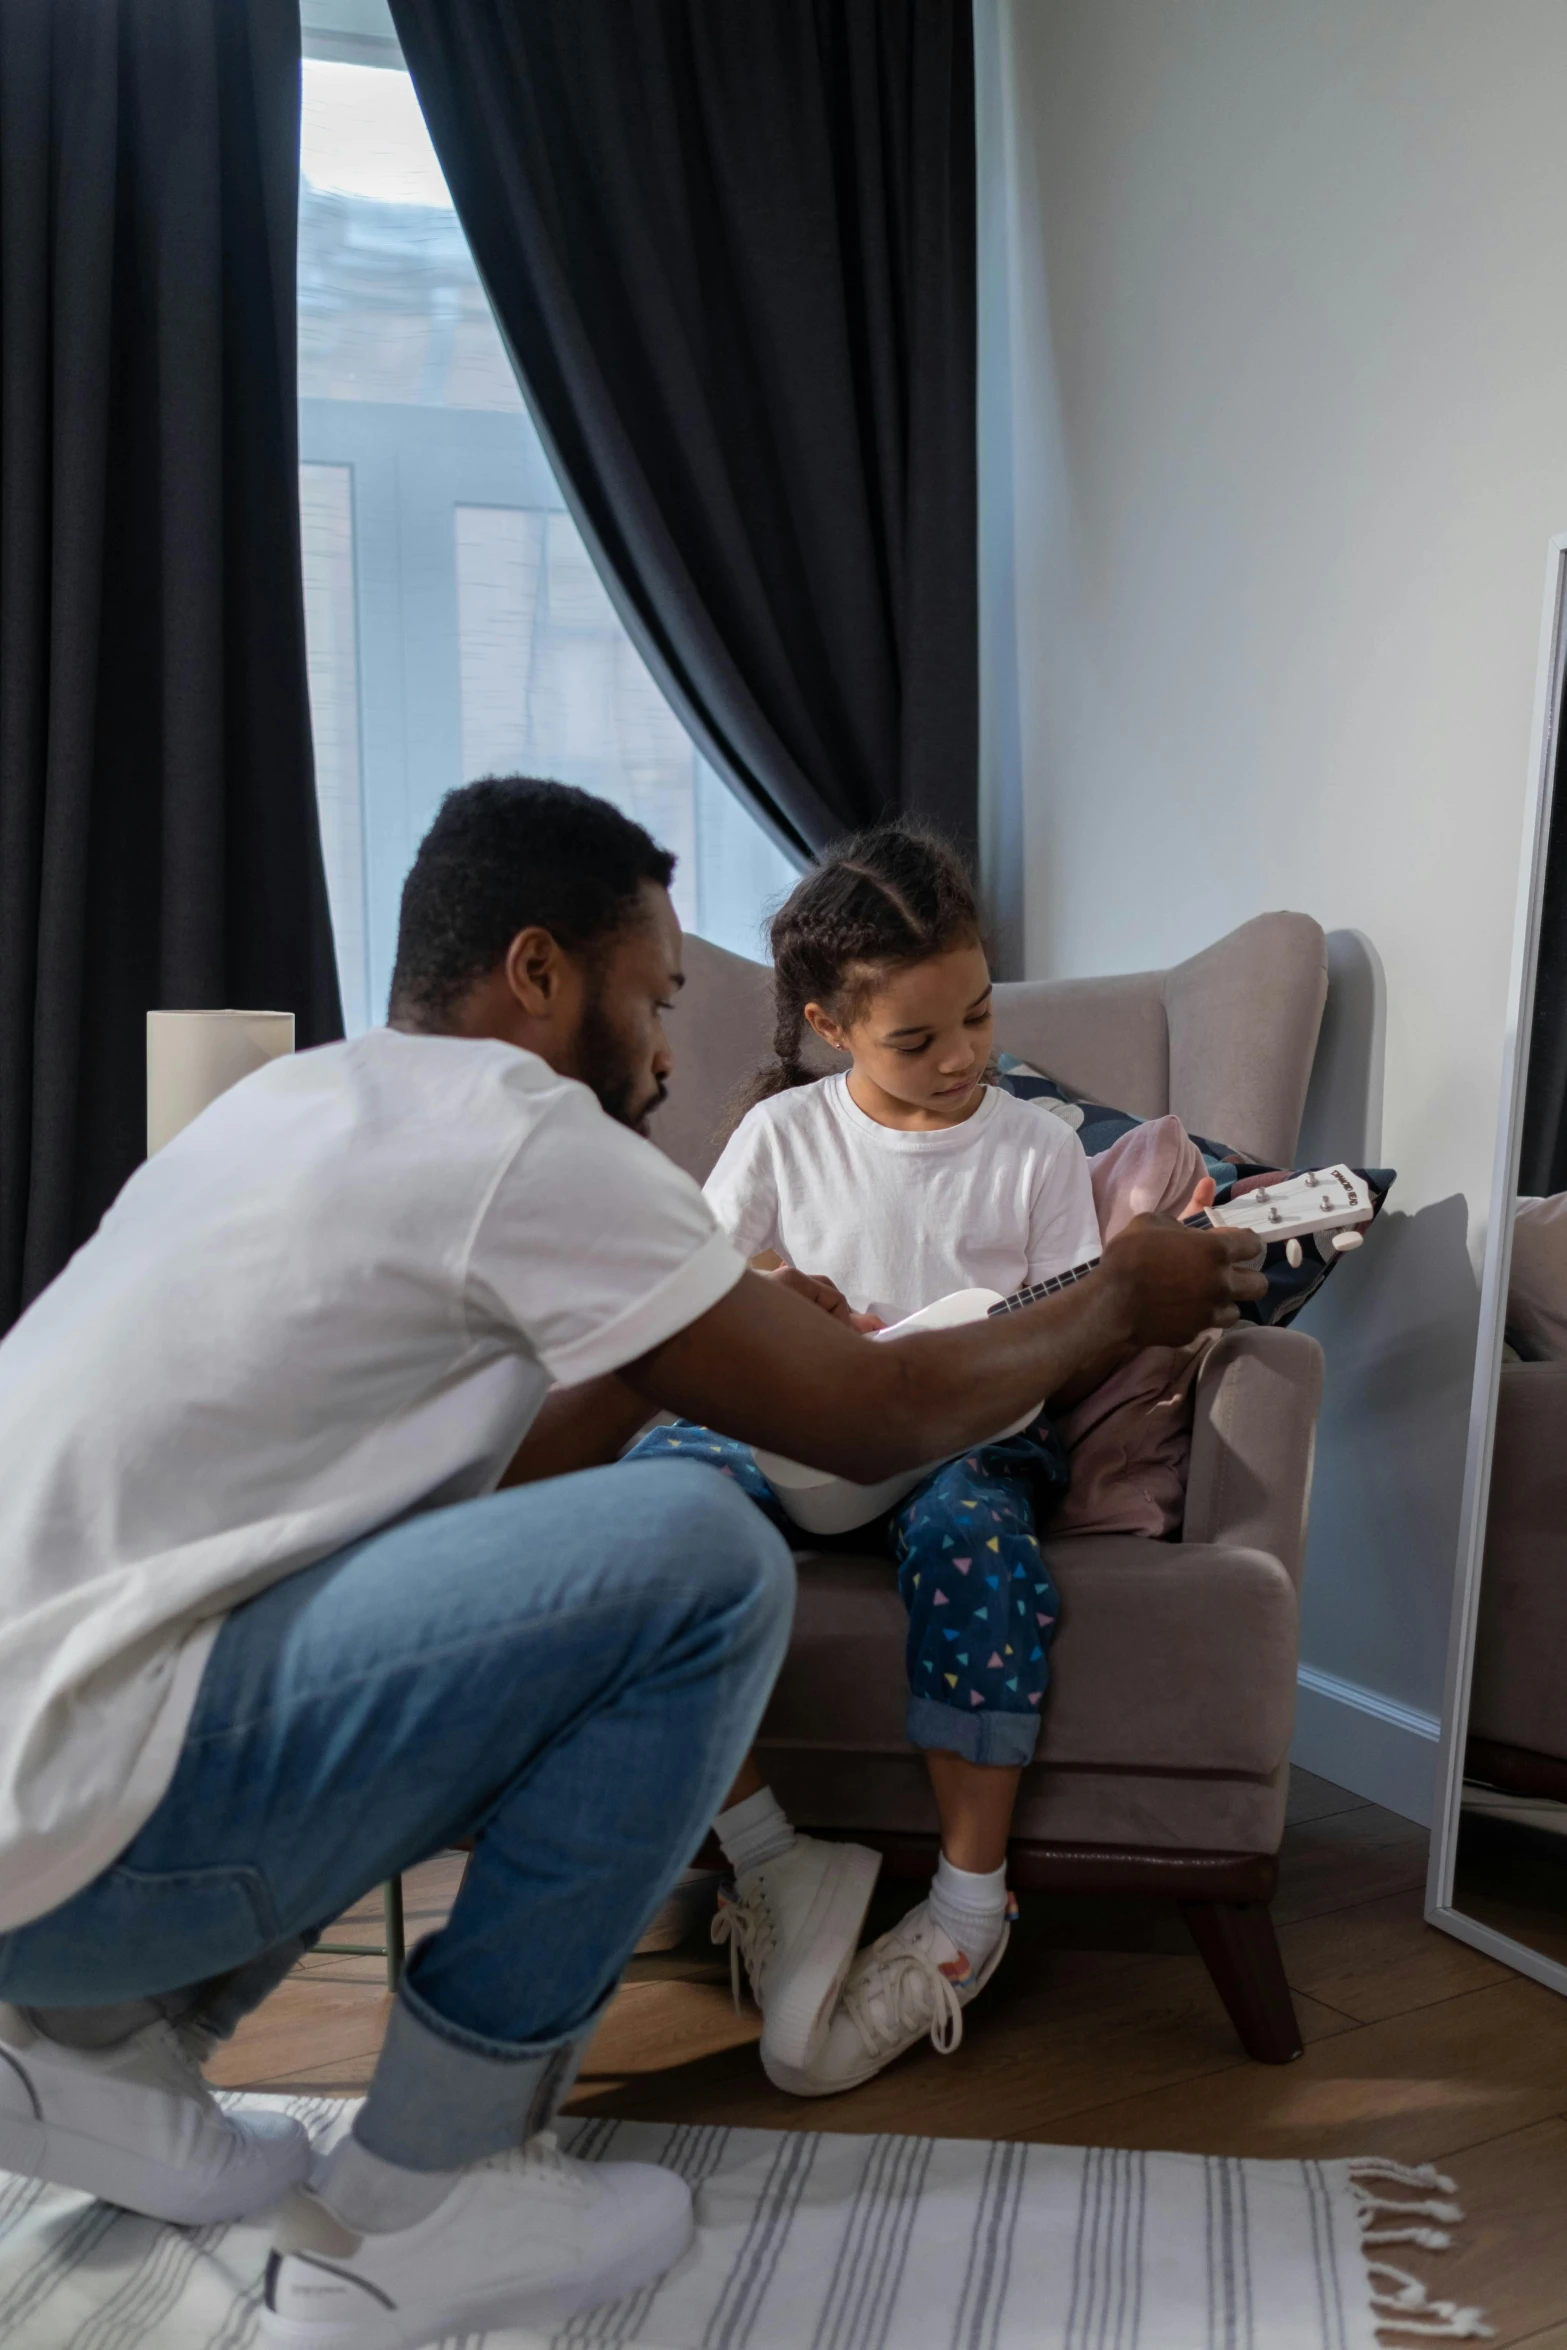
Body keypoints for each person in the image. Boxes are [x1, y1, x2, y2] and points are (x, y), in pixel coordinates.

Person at [0, 779, 1264, 2350]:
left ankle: (82, 2041)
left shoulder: (287, 1107)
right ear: (539, 972)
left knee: (526, 1559)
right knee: (695, 1555)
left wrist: (692, 1347)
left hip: (38, 1844)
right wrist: (1115, 1297)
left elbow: (493, 1519)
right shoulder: (516, 1134)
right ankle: (433, 2201)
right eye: (656, 994)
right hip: (88, 1835)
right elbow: (871, 1420)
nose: (671, 1052)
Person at [626, 824, 1212, 2096]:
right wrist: (783, 1299)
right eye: (916, 1039)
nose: (960, 1058)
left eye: (978, 1018)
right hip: (794, 1432)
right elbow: (699, 1301)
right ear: (834, 1026)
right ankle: (771, 1853)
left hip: (965, 1443)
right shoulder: (782, 1137)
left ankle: (966, 1907)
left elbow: (1061, 1342)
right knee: (646, 1512)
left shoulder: (1035, 1150)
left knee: (972, 1535)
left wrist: (985, 1351)